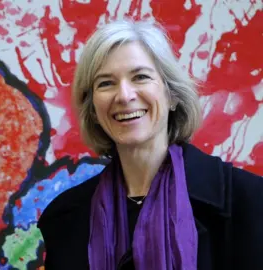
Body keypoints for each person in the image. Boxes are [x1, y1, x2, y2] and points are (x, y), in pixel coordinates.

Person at [37, 19, 263, 270]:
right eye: (106, 83)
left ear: (172, 95)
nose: (124, 95)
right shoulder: (64, 220)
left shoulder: (249, 202)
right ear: (92, 109)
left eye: (140, 77)